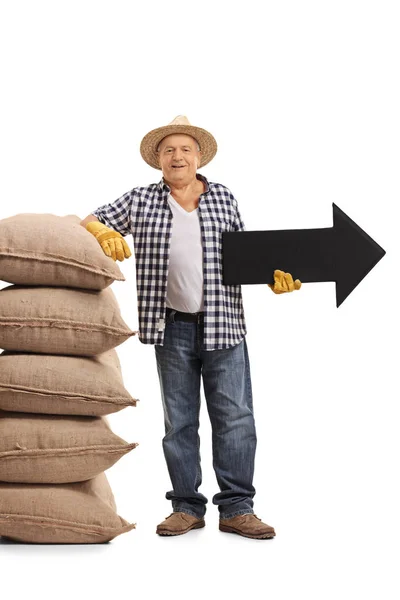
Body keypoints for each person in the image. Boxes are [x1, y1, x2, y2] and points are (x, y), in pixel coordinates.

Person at [80, 115, 301, 539]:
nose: (176, 156)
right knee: (179, 422)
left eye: (184, 149)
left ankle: (238, 508)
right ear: (158, 161)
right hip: (171, 328)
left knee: (236, 418)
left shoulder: (222, 197)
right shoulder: (140, 200)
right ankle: (186, 506)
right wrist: (100, 231)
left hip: (225, 325)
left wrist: (275, 279)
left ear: (198, 157)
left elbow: (247, 256)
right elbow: (88, 218)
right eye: (168, 151)